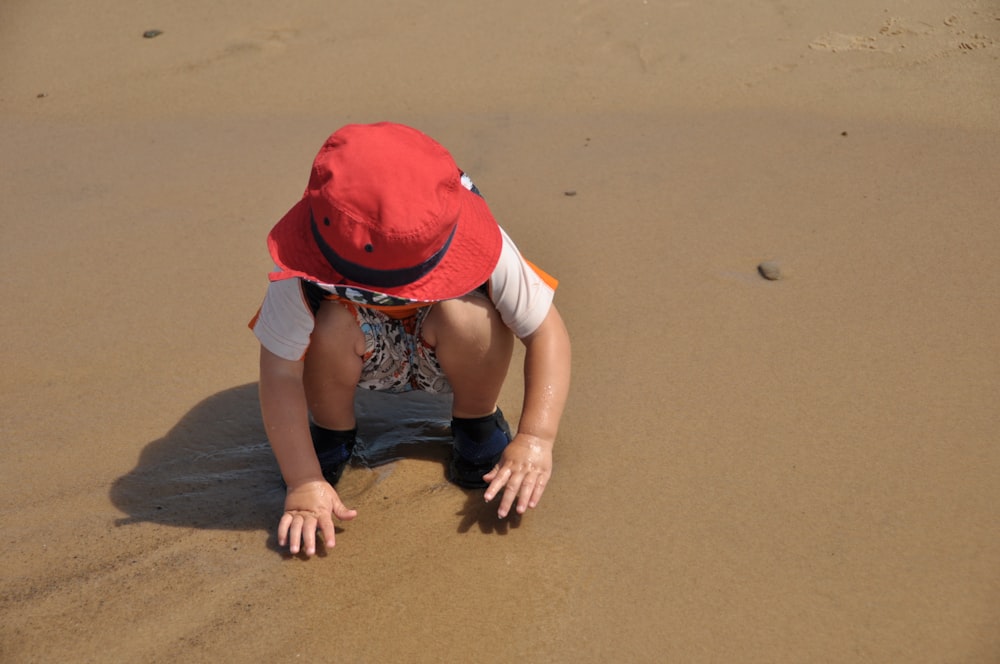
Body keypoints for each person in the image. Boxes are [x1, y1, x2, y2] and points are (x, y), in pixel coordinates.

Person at [249, 122, 571, 556]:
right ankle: (332, 433)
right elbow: (281, 371)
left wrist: (536, 439)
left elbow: (545, 329)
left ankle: (476, 422)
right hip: (355, 352)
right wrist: (302, 480)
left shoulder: (482, 241)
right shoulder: (304, 265)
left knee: (471, 318)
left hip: (449, 349)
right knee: (329, 325)